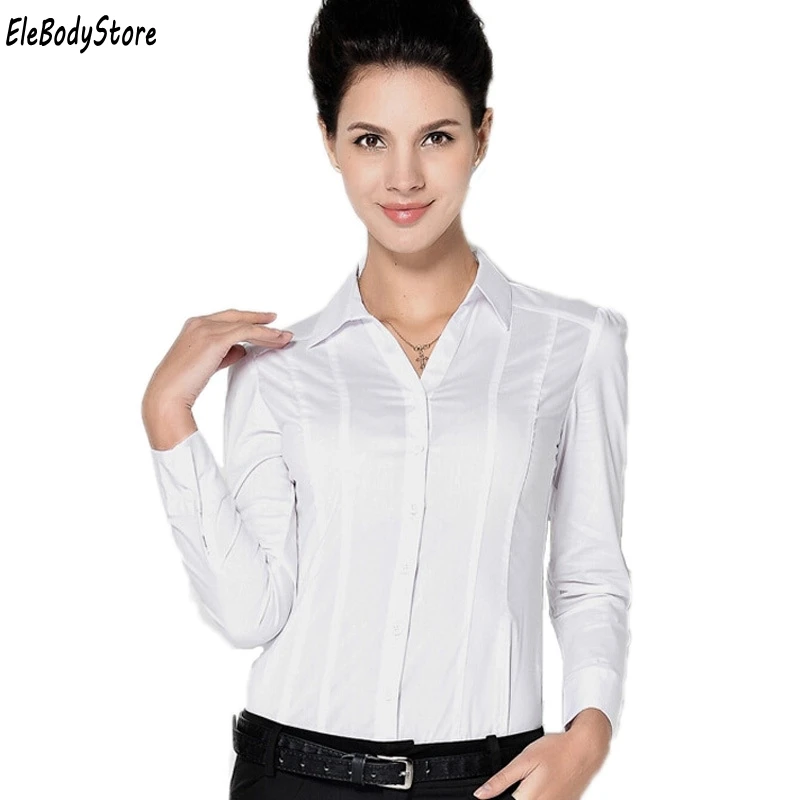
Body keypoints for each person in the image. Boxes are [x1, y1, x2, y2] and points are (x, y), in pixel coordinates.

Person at [142, 1, 632, 799]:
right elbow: (250, 613)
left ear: (482, 135)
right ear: (329, 140)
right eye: (371, 139)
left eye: (436, 137)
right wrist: (168, 415)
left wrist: (588, 738)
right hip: (293, 776)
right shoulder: (277, 369)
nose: (404, 177)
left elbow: (587, 575)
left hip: (489, 779)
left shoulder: (573, 346)